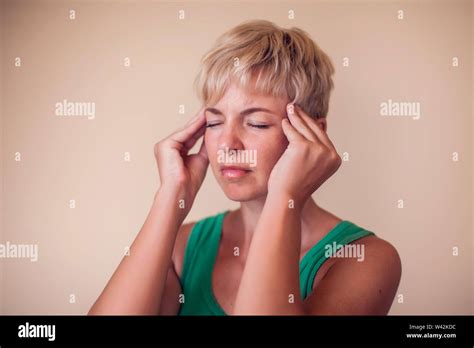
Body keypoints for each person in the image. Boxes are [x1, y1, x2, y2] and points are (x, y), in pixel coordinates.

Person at [88, 19, 401, 316]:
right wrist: (171, 196)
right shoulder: (182, 247)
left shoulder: (365, 258)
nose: (227, 144)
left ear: (313, 136)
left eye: (256, 123)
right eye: (214, 122)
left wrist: (286, 194)